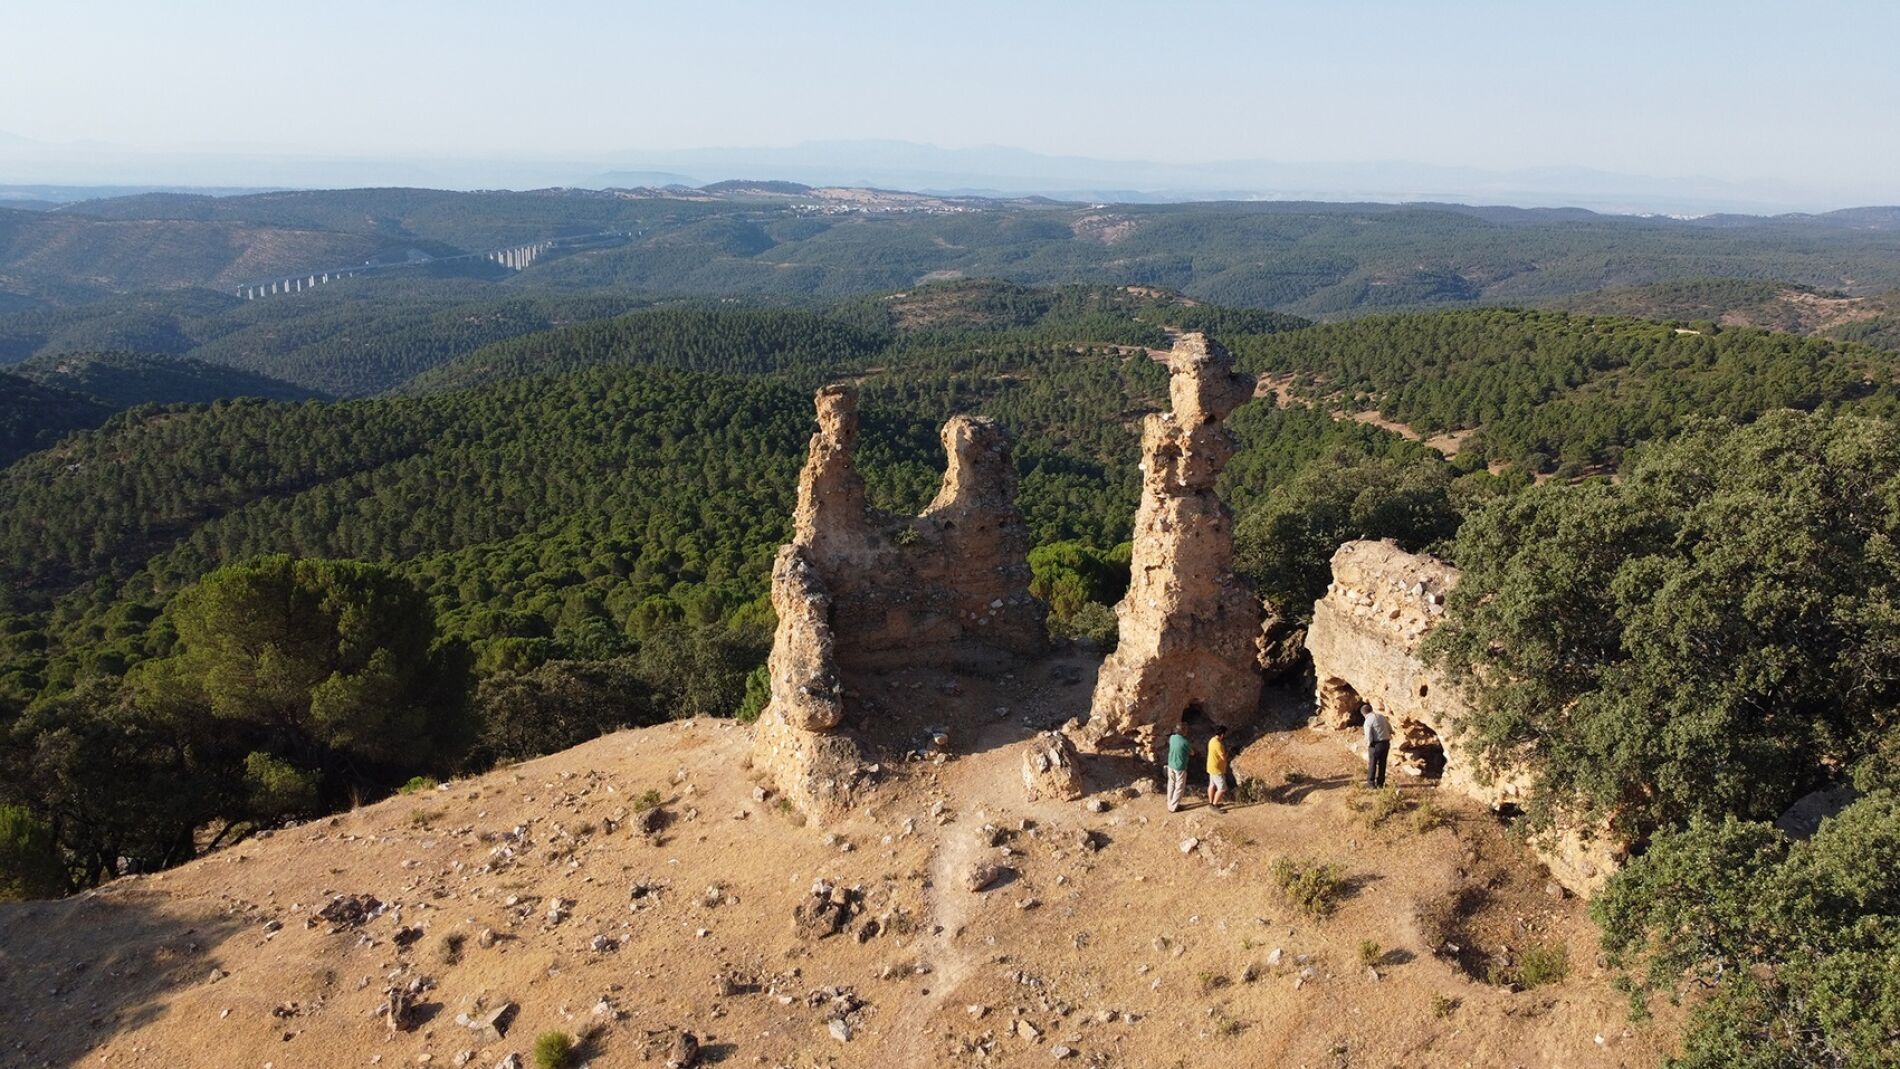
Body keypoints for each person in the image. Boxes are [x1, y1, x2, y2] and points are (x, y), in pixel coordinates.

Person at [1362, 703, 1392, 788]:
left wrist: (1368, 745)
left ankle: (1371, 783)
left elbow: (1368, 735)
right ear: (1371, 709)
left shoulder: (1368, 721)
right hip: (1386, 743)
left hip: (1376, 744)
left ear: (1364, 714)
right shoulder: (1381, 716)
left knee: (1373, 763)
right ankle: (1381, 783)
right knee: (1383, 763)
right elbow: (1389, 728)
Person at [1165, 724, 1193, 813]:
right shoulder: (1185, 742)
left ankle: (1170, 803)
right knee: (1179, 787)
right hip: (1180, 766)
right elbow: (1192, 753)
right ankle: (1173, 807)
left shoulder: (1172, 738)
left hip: (1170, 764)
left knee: (1171, 784)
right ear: (1183, 732)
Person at [1205, 726, 1231, 811]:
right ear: (1222, 734)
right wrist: (1229, 752)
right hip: (1217, 769)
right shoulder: (1218, 744)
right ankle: (1214, 805)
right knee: (1222, 788)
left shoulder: (1211, 740)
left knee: (1212, 785)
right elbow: (1224, 758)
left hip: (1210, 767)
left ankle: (1210, 802)